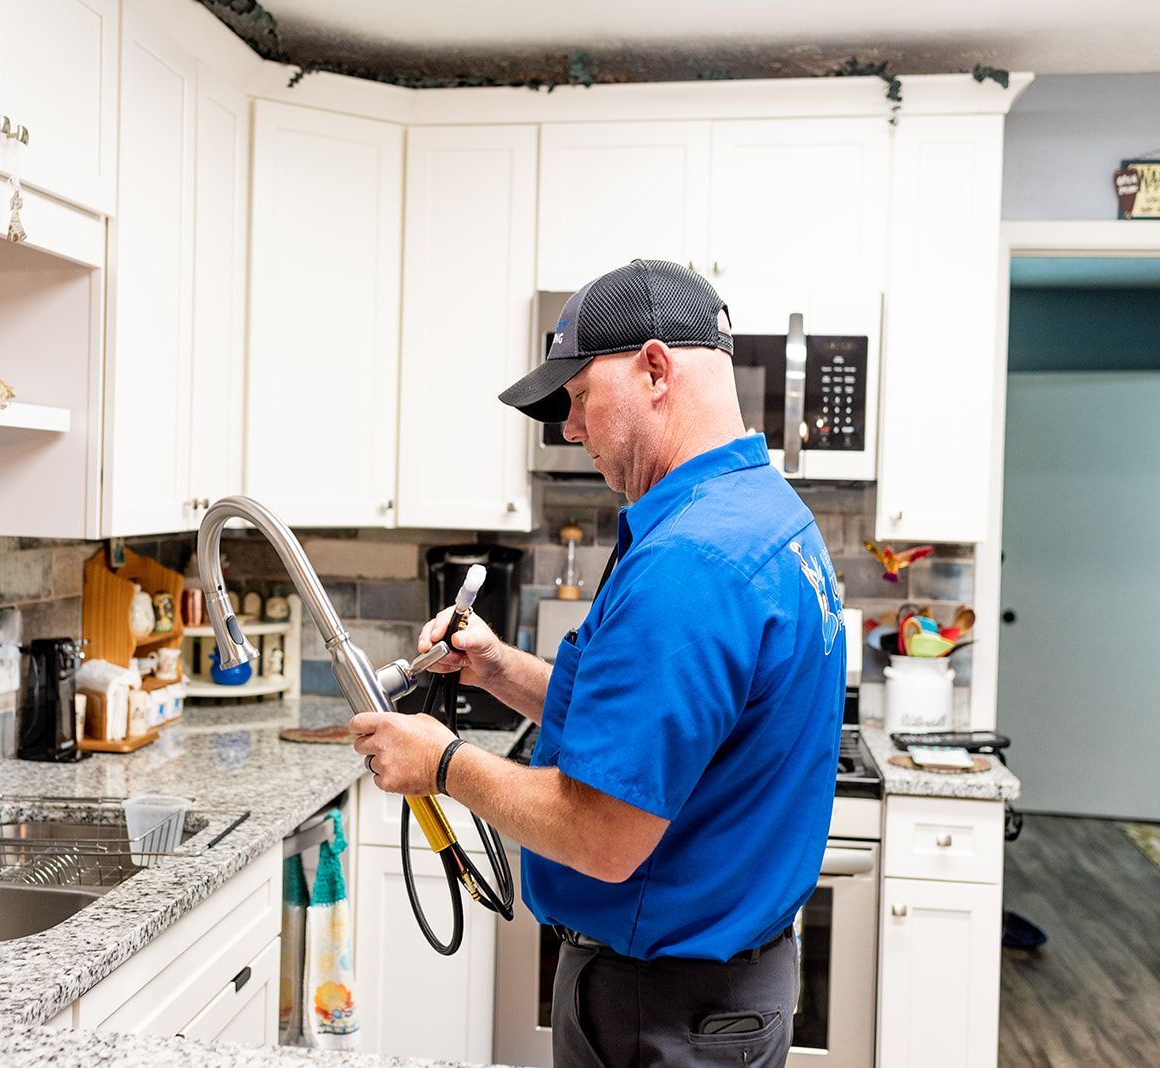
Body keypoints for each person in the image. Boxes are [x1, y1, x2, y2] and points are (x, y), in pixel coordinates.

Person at [350, 259, 845, 1067]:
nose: (569, 429)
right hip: (719, 991)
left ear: (655, 369)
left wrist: (442, 764)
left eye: (579, 397)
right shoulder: (762, 511)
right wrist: (500, 669)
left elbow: (602, 832)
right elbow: (661, 733)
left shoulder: (691, 562)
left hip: (663, 1008)